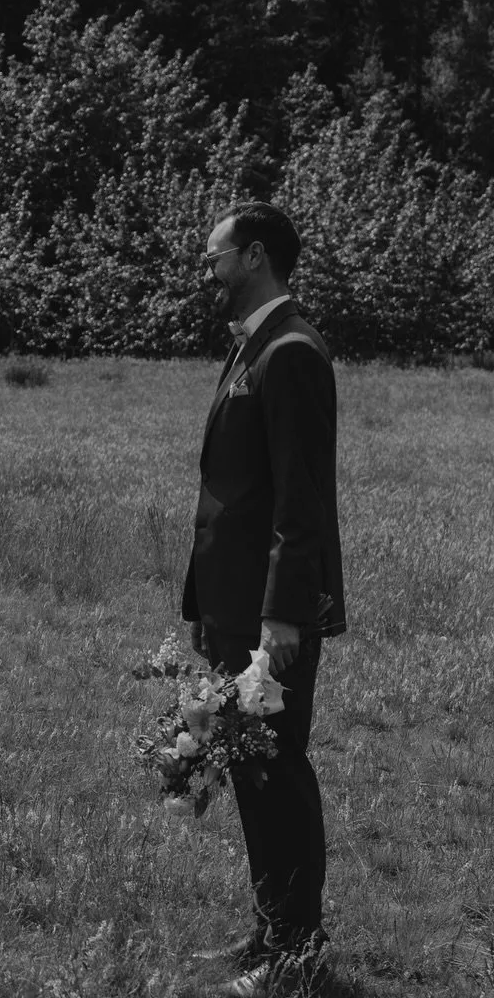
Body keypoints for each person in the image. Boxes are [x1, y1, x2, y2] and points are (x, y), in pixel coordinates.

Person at [183, 201, 344, 998]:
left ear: (252, 257)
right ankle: (270, 931)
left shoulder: (291, 352)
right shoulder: (255, 345)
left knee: (278, 771)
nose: (204, 270)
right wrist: (202, 602)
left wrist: (283, 613)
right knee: (250, 770)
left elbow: (300, 502)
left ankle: (298, 951)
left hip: (268, 615)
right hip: (234, 604)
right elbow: (230, 492)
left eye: (213, 256)